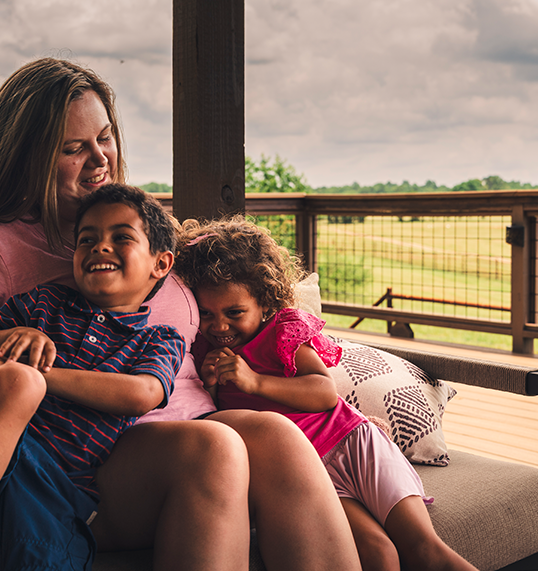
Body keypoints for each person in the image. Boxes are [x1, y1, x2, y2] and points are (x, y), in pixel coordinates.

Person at [0, 57, 359, 571]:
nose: (100, 160)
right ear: (27, 158)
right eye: (74, 148)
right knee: (216, 448)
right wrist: (10, 386)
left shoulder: (145, 234)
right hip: (72, 460)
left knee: (278, 437)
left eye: (105, 138)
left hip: (174, 426)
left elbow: (247, 306)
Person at [173, 217, 479, 571]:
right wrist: (211, 382)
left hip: (354, 445)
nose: (220, 326)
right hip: (310, 471)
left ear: (263, 302)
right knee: (378, 553)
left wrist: (254, 381)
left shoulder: (280, 333)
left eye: (234, 312)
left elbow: (323, 392)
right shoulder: (202, 350)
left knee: (424, 550)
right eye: (207, 314)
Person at [0, 185, 186, 570]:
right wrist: (9, 341)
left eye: (121, 237)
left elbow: (142, 393)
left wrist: (41, 373)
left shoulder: (158, 339)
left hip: (52, 494)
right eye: (86, 239)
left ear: (161, 263)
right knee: (16, 383)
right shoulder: (41, 304)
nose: (100, 247)